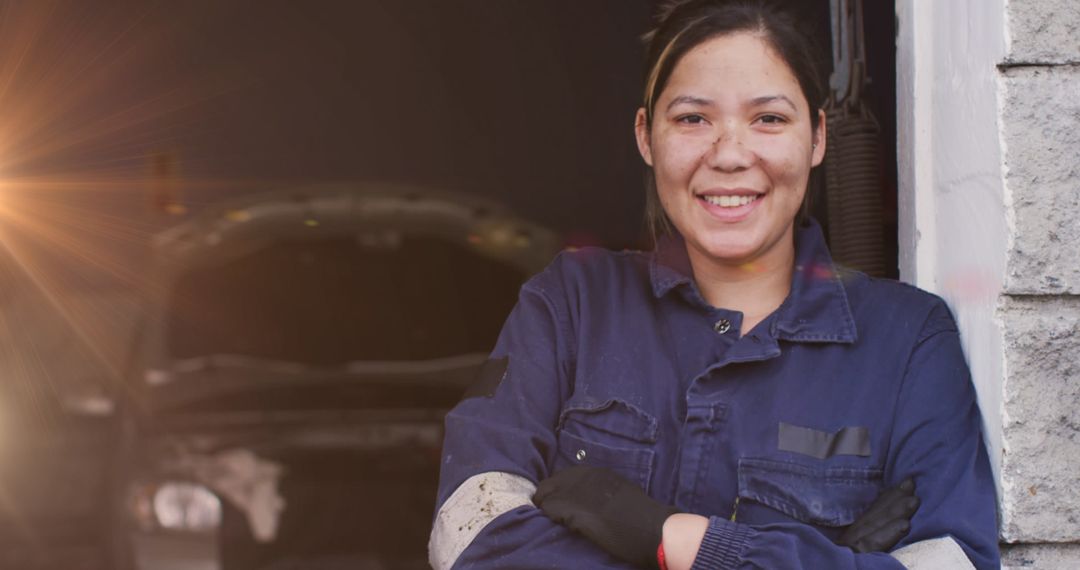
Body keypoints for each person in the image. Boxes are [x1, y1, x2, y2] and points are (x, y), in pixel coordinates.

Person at [428, 0, 1000, 568]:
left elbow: (955, 562)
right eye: (692, 118)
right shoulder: (571, 304)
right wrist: (821, 559)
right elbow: (470, 534)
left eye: (769, 119)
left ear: (818, 137)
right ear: (647, 135)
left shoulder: (907, 342)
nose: (729, 155)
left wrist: (675, 537)